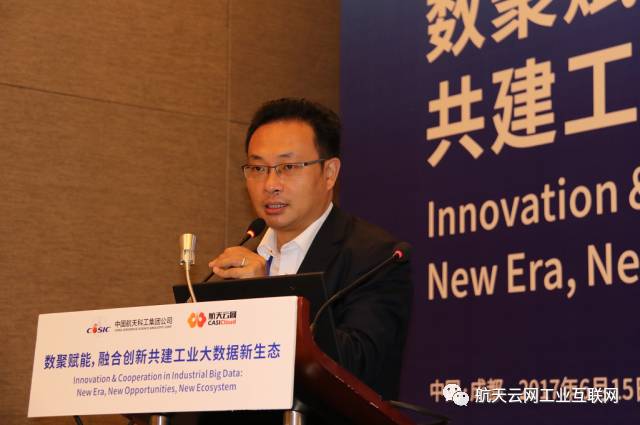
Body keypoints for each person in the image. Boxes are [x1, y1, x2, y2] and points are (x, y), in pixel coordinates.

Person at [208, 98, 412, 401]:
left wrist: (265, 297)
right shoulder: (243, 260)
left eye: (288, 167)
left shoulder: (377, 257)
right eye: (258, 168)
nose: (270, 184)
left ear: (329, 173)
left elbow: (359, 365)